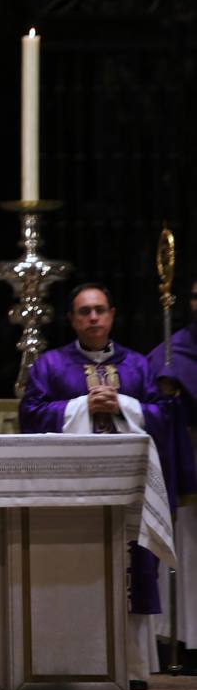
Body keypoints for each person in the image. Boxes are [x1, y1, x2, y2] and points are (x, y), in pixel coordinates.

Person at [20, 283, 188, 689]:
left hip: (129, 486)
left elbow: (166, 416)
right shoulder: (50, 365)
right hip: (72, 486)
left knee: (134, 568)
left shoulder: (137, 366)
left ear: (112, 314)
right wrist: (81, 406)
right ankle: (73, 662)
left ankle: (131, 667)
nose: (92, 318)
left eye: (99, 310)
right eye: (83, 312)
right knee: (71, 568)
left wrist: (124, 406)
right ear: (72, 319)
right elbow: (30, 413)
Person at [147, 275, 197, 656]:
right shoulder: (173, 354)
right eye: (196, 296)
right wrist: (168, 399)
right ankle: (186, 640)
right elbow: (151, 409)